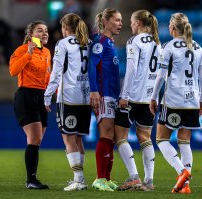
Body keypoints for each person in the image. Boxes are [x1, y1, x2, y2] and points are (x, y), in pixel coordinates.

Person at [149, 13, 202, 194]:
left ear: (173, 28)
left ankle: (182, 171)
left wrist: (153, 97)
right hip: (192, 100)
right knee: (184, 141)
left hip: (173, 100)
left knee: (161, 139)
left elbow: (160, 75)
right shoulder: (198, 47)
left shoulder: (168, 47)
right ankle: (186, 185)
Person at [114, 9, 160, 191]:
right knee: (145, 137)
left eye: (132, 22)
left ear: (139, 23)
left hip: (132, 96)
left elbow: (131, 70)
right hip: (148, 97)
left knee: (120, 137)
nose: (130, 25)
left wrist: (124, 95)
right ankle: (149, 181)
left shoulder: (134, 41)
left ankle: (134, 177)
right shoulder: (158, 43)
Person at [44, 13, 91, 191]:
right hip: (85, 98)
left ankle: (79, 179)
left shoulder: (62, 44)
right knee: (78, 139)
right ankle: (80, 178)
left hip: (69, 97)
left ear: (65, 28)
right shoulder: (88, 43)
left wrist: (47, 96)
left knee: (68, 138)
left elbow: (56, 74)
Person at [9, 20, 51, 189]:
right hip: (26, 95)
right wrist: (28, 53)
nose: (45, 33)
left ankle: (32, 179)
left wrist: (50, 95)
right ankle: (31, 180)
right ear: (31, 35)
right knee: (34, 138)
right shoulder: (22, 49)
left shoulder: (47, 52)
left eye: (46, 30)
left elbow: (48, 77)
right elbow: (13, 71)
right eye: (40, 31)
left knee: (38, 140)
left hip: (42, 96)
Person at [88, 8, 122, 192]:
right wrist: (94, 91)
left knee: (112, 138)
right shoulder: (100, 41)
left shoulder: (109, 42)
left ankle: (106, 179)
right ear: (107, 21)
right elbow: (91, 66)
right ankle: (100, 178)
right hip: (103, 94)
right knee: (106, 134)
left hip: (112, 95)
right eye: (117, 20)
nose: (120, 24)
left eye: (121, 20)